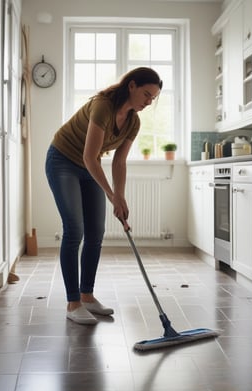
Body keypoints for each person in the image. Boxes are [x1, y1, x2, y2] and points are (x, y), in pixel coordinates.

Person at [45, 67, 163, 325]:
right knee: (74, 230)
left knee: (96, 232)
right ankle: (73, 302)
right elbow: (89, 156)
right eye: (146, 94)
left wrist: (120, 197)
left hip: (90, 167)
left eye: (152, 98)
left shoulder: (134, 121)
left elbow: (119, 162)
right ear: (131, 86)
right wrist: (110, 195)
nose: (148, 102)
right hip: (63, 161)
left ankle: (87, 296)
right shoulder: (103, 106)